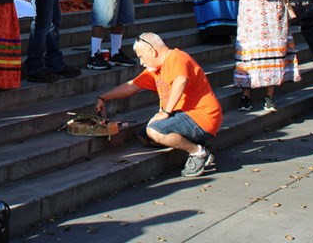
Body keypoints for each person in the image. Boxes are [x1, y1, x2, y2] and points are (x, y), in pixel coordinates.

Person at [94, 33, 222, 178]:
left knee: (155, 131)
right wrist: (103, 97)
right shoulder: (155, 69)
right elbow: (131, 86)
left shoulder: (176, 57)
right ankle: (193, 142)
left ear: (152, 51)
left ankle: (198, 152)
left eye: (141, 57)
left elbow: (181, 81)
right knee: (144, 136)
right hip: (183, 115)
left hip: (202, 117)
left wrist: (166, 112)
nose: (141, 62)